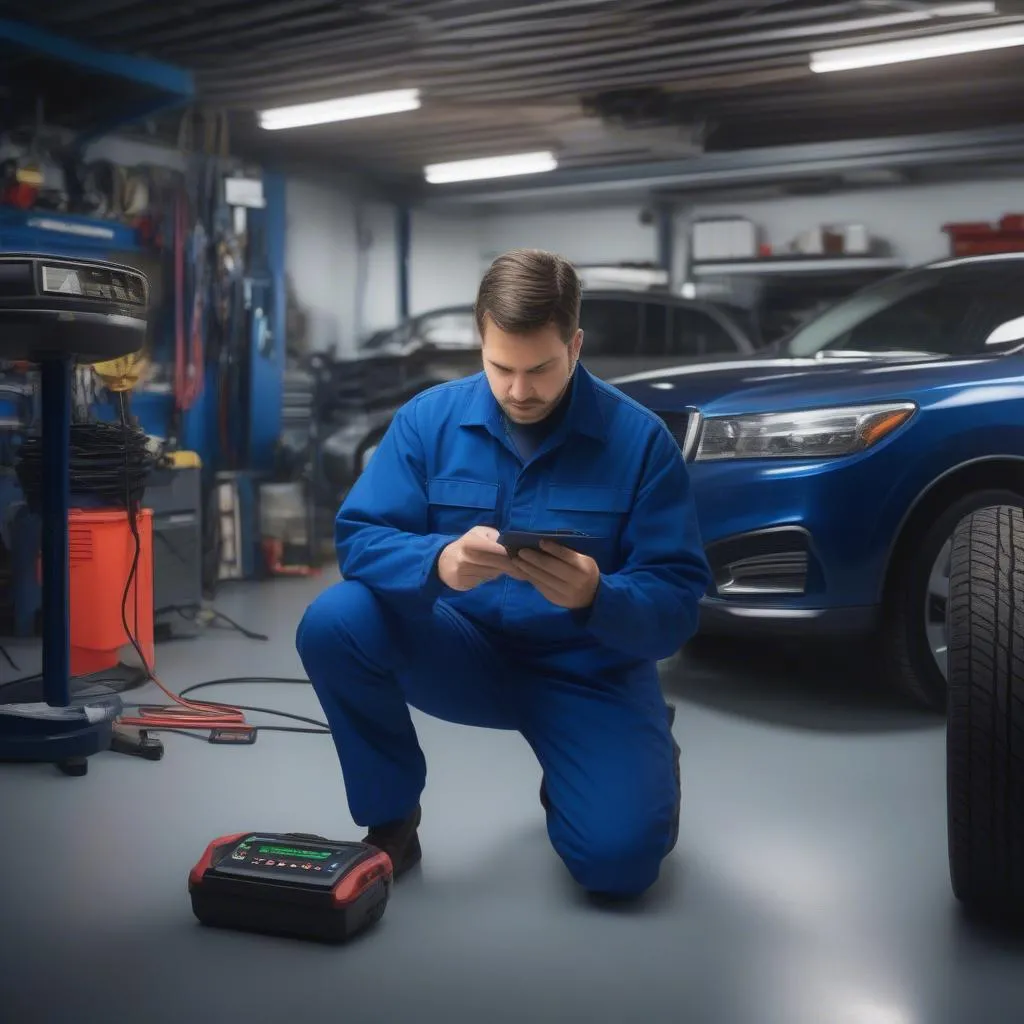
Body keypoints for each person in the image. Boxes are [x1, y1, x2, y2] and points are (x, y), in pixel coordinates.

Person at [296, 249, 712, 900]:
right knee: (334, 621)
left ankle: (633, 754)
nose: (520, 391)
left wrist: (598, 595)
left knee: (619, 868)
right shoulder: (428, 422)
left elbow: (677, 602)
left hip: (588, 670)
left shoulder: (640, 443)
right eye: (500, 367)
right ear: (480, 341)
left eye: (541, 368)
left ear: (575, 344)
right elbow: (359, 538)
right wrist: (436, 562)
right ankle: (392, 817)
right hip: (462, 651)